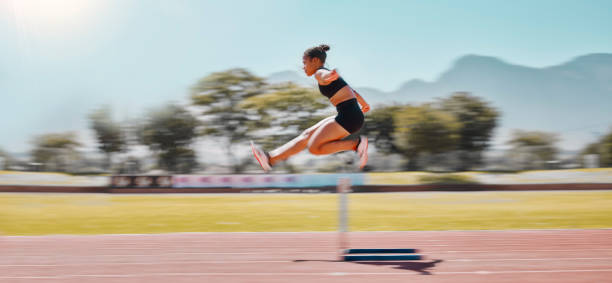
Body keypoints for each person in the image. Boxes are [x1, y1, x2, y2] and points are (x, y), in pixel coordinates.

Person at [251, 44, 370, 172]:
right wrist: (364, 104)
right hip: (349, 115)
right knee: (307, 135)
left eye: (305, 62)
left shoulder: (319, 72)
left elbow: (324, 75)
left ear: (315, 60)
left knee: (314, 148)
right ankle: (270, 158)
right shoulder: (327, 75)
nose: (303, 67)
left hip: (349, 117)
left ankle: (356, 144)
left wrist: (330, 75)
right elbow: (352, 91)